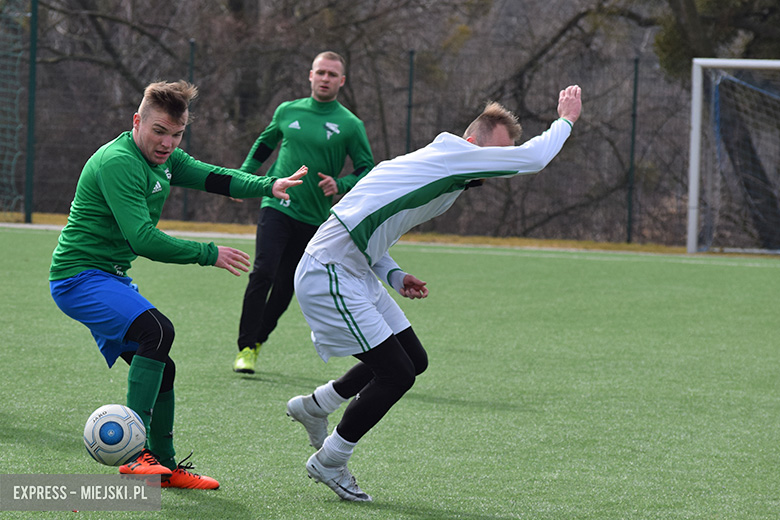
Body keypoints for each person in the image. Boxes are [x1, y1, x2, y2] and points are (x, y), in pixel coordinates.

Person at [286, 85, 583, 501]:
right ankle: (331, 459)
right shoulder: (452, 156)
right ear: (471, 142)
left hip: (353, 268)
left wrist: (392, 273)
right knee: (396, 373)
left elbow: (368, 220)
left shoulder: (441, 168)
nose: (496, 163)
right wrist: (566, 119)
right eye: (494, 152)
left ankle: (317, 405)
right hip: (330, 271)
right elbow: (533, 158)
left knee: (413, 360)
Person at [49, 80, 306, 489]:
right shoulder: (118, 162)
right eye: (159, 131)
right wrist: (209, 253)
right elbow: (143, 239)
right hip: (78, 278)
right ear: (137, 122)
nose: (168, 143)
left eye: (177, 133)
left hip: (108, 277)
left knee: (162, 368)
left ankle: (164, 468)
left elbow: (214, 177)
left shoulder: (164, 158)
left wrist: (266, 186)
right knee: (157, 330)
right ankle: (134, 459)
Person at [231, 51, 374, 375]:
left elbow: (367, 168)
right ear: (310, 75)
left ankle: (257, 342)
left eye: (331, 74)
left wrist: (341, 183)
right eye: (320, 72)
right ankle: (245, 346)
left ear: (342, 81)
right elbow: (264, 146)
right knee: (263, 271)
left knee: (286, 286)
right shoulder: (287, 110)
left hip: (314, 219)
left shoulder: (350, 125)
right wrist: (242, 179)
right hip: (278, 205)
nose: (325, 78)